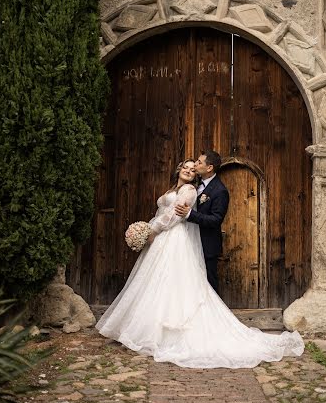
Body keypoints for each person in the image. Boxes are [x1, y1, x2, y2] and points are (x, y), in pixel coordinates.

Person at [96, 158, 304, 369]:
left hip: (175, 238)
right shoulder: (172, 188)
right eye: (185, 167)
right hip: (162, 240)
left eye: (192, 169)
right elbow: (161, 212)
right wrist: (147, 229)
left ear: (196, 174)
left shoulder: (188, 190)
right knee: (158, 283)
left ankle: (168, 334)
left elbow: (173, 216)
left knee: (174, 281)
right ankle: (149, 328)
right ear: (178, 170)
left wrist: (151, 232)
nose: (188, 170)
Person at [175, 151, 228, 294]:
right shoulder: (196, 184)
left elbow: (216, 219)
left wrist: (190, 214)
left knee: (209, 284)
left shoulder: (220, 190)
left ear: (209, 167)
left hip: (207, 244)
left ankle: (214, 315)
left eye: (199, 162)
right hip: (190, 241)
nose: (196, 164)